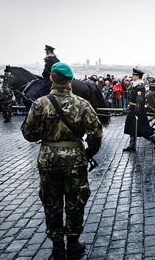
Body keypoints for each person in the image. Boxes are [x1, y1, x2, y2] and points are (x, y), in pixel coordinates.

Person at [21, 62, 102, 259]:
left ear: (51, 78)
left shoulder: (40, 104)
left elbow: (28, 134)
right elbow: (96, 135)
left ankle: (57, 247)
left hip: (48, 160)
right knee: (75, 203)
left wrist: (46, 135)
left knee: (52, 203)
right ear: (70, 80)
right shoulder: (83, 104)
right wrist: (87, 154)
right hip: (75, 161)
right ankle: (73, 245)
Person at [123, 68, 155, 152]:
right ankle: (132, 145)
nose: (132, 76)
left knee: (141, 127)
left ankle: (154, 138)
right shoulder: (136, 85)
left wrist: (137, 110)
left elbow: (140, 100)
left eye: (133, 75)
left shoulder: (139, 87)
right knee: (132, 127)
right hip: (133, 108)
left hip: (137, 109)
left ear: (137, 76)